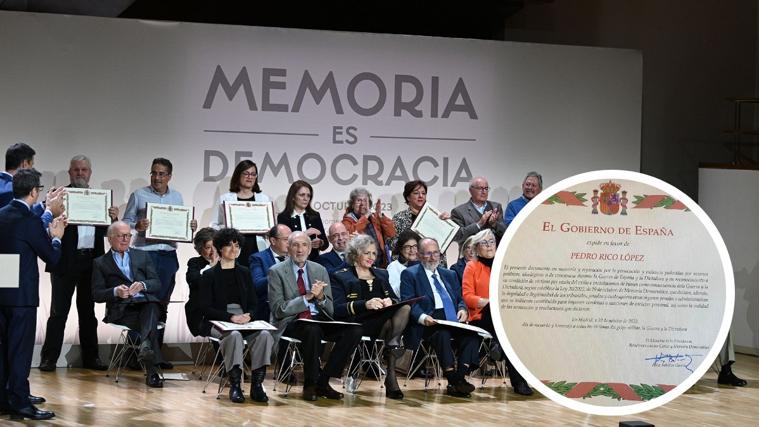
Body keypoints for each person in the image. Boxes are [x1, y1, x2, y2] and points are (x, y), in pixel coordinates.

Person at [39, 155, 118, 372]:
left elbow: (104, 233)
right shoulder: (59, 197)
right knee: (58, 313)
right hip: (65, 261)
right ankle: (49, 359)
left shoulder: (98, 198)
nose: (80, 173)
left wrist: (111, 219)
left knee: (88, 312)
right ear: (70, 172)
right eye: (76, 170)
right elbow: (49, 227)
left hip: (91, 262)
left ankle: (91, 358)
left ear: (90, 173)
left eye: (84, 170)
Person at [0, 168, 65, 420]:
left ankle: (4, 399)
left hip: (4, 291)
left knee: (4, 350)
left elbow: (16, 249)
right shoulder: (28, 221)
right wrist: (56, 237)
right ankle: (20, 403)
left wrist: (45, 230)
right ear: (34, 191)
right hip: (22, 299)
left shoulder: (3, 214)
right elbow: (51, 257)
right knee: (19, 352)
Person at [267, 231, 362, 401]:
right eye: (295, 245)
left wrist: (320, 298)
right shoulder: (276, 271)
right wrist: (307, 298)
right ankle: (310, 383)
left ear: (310, 249)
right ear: (288, 248)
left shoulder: (320, 269)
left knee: (353, 330)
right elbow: (278, 309)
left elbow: (330, 310)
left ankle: (323, 380)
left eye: (304, 245)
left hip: (318, 319)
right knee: (312, 329)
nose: (300, 249)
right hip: (292, 322)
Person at [123, 157, 197, 366]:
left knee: (162, 306)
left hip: (167, 256)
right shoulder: (138, 195)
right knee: (142, 304)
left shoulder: (177, 196)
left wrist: (189, 226)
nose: (157, 177)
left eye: (162, 173)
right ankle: (134, 355)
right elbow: (126, 223)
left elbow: (178, 226)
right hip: (145, 255)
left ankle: (155, 354)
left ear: (169, 176)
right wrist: (137, 225)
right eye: (154, 173)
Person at [198, 228, 275, 403]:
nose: (234, 249)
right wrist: (230, 318)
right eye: (229, 245)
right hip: (219, 320)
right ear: (219, 248)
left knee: (264, 335)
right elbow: (205, 308)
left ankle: (257, 385)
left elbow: (255, 302)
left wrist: (250, 315)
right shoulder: (209, 275)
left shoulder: (244, 272)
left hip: (244, 320)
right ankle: (235, 385)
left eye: (237, 245)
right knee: (233, 336)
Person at [331, 235, 410, 399]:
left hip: (383, 324)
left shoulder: (381, 274)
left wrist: (391, 301)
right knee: (391, 324)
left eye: (374, 254)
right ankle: (392, 357)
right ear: (355, 253)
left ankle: (391, 349)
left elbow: (396, 298)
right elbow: (336, 309)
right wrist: (365, 304)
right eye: (366, 253)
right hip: (358, 323)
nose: (371, 257)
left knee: (405, 308)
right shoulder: (341, 276)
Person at [400, 237, 480, 397]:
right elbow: (408, 302)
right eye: (428, 253)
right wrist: (423, 317)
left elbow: (460, 298)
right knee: (441, 334)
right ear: (420, 255)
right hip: (429, 321)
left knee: (472, 335)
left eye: (435, 253)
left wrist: (463, 309)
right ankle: (452, 378)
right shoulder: (410, 274)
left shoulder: (449, 274)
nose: (432, 257)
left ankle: (459, 377)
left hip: (452, 318)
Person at [91, 221, 165, 388]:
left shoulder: (142, 256)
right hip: (122, 309)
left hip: (145, 304)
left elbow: (156, 283)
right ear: (110, 238)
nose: (125, 239)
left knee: (151, 307)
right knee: (150, 322)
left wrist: (143, 285)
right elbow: (96, 295)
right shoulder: (100, 262)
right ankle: (150, 361)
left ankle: (148, 358)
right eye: (121, 236)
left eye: (128, 235)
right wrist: (115, 291)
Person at [462, 229, 533, 396]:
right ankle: (519, 381)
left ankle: (499, 344)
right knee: (506, 328)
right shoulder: (472, 267)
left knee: (512, 329)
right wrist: (489, 302)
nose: (489, 246)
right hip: (481, 317)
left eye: (492, 242)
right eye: (485, 243)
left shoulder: (504, 265)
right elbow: (468, 297)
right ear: (476, 247)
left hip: (505, 316)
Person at [211, 160, 272, 264]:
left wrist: (270, 227)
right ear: (238, 175)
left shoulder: (264, 199)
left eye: (253, 174)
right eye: (246, 173)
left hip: (257, 248)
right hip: (232, 249)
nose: (250, 177)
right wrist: (227, 229)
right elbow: (214, 225)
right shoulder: (225, 199)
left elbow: (270, 229)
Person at [1, 143, 64, 223]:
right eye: (31, 165)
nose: (32, 170)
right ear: (24, 164)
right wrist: (50, 212)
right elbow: (27, 226)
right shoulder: (13, 190)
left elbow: (25, 212)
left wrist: (45, 204)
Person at [391, 180, 450, 265]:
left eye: (423, 193)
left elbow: (441, 244)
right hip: (407, 266)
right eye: (416, 193)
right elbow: (394, 245)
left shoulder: (435, 217)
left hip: (432, 264)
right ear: (408, 197)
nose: (421, 196)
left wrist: (446, 224)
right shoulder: (399, 218)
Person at [341, 187, 396, 268]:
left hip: (380, 263)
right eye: (359, 200)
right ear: (352, 204)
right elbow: (352, 233)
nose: (362, 203)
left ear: (369, 204)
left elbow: (391, 233)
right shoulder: (347, 220)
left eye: (365, 200)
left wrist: (380, 215)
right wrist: (365, 216)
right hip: (361, 264)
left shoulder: (375, 218)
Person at [249, 224, 291, 322]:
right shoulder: (258, 258)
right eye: (286, 239)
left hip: (293, 309)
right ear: (273, 241)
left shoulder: (296, 258)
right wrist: (280, 273)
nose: (290, 243)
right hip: (269, 310)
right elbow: (258, 285)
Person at [276, 180, 328, 261]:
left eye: (308, 196)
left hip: (313, 261)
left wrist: (320, 243)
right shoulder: (284, 217)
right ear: (293, 197)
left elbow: (325, 244)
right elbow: (284, 244)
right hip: (292, 261)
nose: (305, 199)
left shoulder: (315, 216)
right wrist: (305, 234)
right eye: (302, 195)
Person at [451, 176, 506, 245]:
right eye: (480, 188)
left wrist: (495, 224)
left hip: (493, 252)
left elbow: (505, 233)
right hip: (471, 253)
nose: (484, 192)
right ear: (471, 190)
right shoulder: (459, 211)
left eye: (486, 188)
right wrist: (479, 224)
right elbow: (458, 236)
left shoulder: (496, 207)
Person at [185, 227, 218, 337]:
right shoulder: (195, 263)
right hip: (201, 315)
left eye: (216, 246)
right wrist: (211, 267)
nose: (213, 251)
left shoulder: (228, 262)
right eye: (208, 247)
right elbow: (194, 281)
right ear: (200, 249)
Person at [386, 230, 421, 298]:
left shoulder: (424, 264)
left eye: (415, 246)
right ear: (401, 249)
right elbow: (394, 293)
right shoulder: (393, 266)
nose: (412, 250)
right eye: (407, 247)